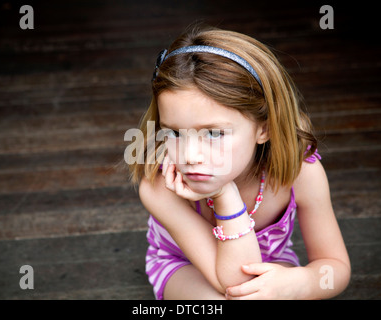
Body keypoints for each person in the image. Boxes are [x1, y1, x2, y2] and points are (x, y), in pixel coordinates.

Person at [128, 25, 350, 299]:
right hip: (184, 268)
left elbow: (335, 267)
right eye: (174, 132)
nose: (190, 155)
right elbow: (235, 283)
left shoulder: (303, 173)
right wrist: (225, 195)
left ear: (264, 129)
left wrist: (298, 283)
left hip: (269, 265)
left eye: (214, 133)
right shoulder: (160, 187)